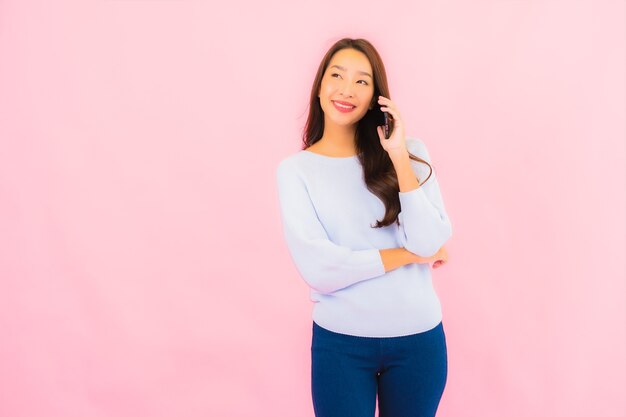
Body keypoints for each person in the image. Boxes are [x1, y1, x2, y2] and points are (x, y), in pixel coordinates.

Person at [275, 37, 452, 417]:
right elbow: (320, 269)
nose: (346, 89)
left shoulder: (410, 151)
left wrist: (399, 156)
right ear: (320, 85)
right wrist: (408, 255)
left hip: (419, 341)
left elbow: (429, 238)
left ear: (375, 96)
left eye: (361, 81)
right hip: (341, 345)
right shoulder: (296, 171)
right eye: (337, 75)